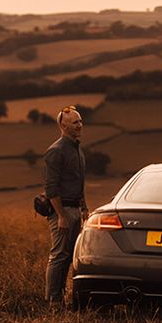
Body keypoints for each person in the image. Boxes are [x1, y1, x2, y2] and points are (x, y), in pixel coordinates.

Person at [43, 105, 89, 308]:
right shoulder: (56, 151)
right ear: (63, 125)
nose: (80, 125)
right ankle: (53, 301)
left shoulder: (77, 149)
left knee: (70, 256)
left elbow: (79, 182)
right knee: (59, 255)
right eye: (75, 122)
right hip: (62, 211)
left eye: (80, 121)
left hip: (75, 210)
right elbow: (51, 188)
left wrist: (84, 208)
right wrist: (60, 215)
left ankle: (62, 298)